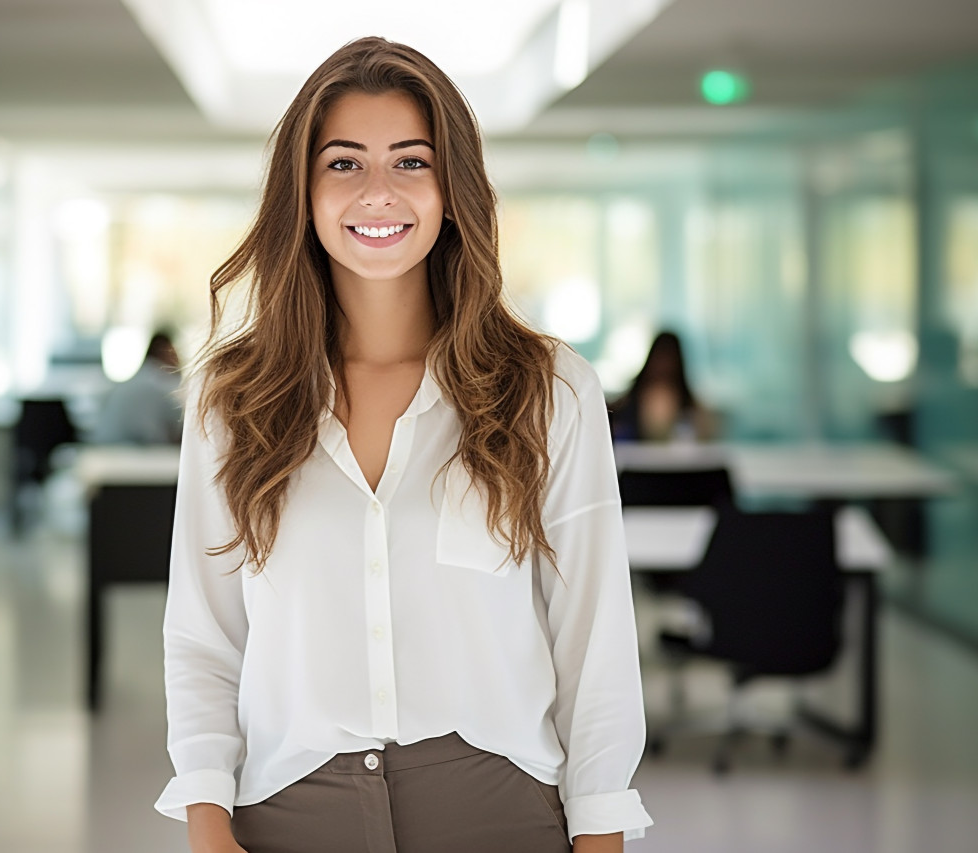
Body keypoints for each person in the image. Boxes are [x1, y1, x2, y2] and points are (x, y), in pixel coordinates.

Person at [155, 38, 652, 853]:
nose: (378, 191)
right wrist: (208, 825)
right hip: (288, 813)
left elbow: (593, 638)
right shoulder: (233, 397)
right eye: (344, 163)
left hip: (500, 811)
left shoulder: (550, 389)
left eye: (411, 161)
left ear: (452, 189)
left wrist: (601, 831)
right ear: (303, 192)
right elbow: (203, 634)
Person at [610, 331, 717, 443]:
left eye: (669, 358)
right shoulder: (625, 407)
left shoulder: (693, 411)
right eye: (660, 357)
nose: (664, 364)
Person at [92, 330, 183, 445]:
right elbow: (180, 423)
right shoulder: (160, 382)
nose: (178, 359)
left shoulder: (133, 381)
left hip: (105, 446)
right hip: (135, 449)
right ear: (165, 352)